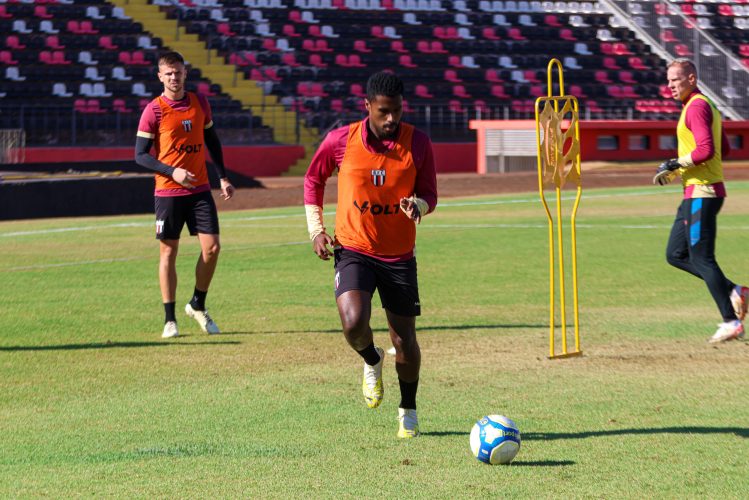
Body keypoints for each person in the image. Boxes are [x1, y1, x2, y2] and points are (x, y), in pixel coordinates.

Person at [303, 71, 438, 438]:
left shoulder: (418, 143)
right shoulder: (340, 141)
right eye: (383, 112)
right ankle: (371, 359)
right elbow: (314, 180)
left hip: (398, 257)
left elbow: (430, 193)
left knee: (404, 340)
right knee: (353, 323)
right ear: (367, 107)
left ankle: (407, 409)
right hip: (353, 250)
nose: (391, 119)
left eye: (396, 111)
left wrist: (419, 206)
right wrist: (316, 229)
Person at [135, 51, 235, 339]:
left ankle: (197, 304)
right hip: (168, 191)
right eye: (168, 73)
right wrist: (171, 171)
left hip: (200, 189)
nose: (174, 77)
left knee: (212, 248)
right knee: (169, 251)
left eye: (178, 72)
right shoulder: (153, 111)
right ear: (160, 76)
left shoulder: (200, 102)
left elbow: (212, 141)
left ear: (185, 73)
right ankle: (170, 319)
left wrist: (224, 176)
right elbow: (140, 156)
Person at [653, 58, 747, 343]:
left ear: (691, 79)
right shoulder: (703, 106)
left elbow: (706, 150)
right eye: (668, 80)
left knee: (702, 258)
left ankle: (731, 321)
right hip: (696, 192)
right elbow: (725, 148)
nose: (670, 85)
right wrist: (678, 170)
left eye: (675, 80)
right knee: (675, 254)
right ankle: (736, 291)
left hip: (702, 193)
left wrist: (675, 163)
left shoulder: (696, 107)